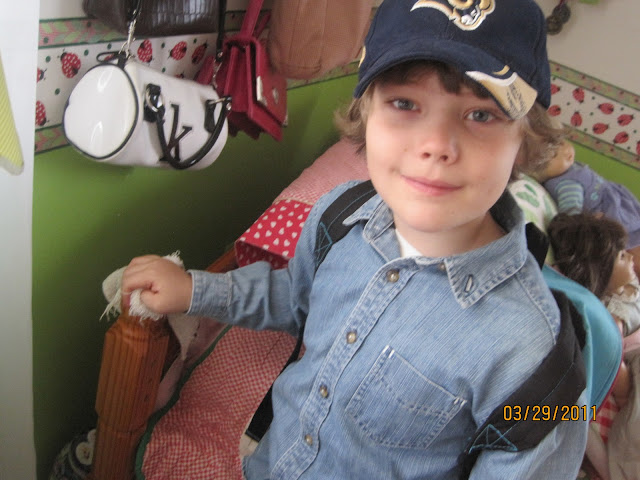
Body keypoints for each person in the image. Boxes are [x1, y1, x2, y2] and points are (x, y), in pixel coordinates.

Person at [122, 1, 588, 478]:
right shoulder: (340, 215)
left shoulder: (535, 361)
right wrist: (195, 290)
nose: (435, 145)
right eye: (405, 104)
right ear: (365, 116)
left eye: (481, 115)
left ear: (525, 142)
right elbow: (296, 297)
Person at [548, 212, 639, 408]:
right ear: (602, 270)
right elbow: (613, 358)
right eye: (622, 256)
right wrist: (624, 396)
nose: (631, 257)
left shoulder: (624, 285)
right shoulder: (609, 316)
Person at [534, 138, 640, 278]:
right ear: (540, 170)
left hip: (618, 204)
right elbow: (572, 216)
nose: (567, 151)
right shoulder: (566, 185)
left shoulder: (567, 168)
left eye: (561, 142)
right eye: (554, 155)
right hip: (613, 217)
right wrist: (590, 221)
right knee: (632, 250)